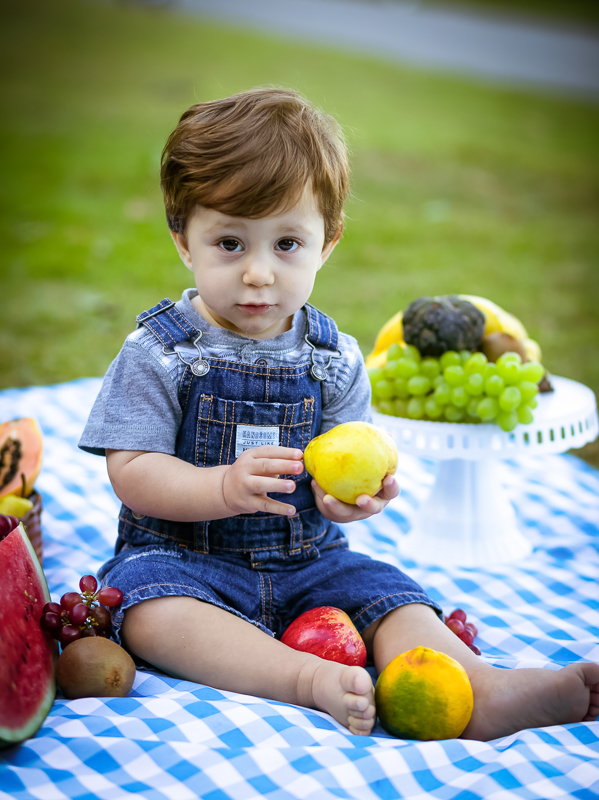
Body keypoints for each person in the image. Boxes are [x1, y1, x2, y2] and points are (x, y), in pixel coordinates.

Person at [80, 87, 599, 739]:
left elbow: (346, 459)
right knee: (150, 614)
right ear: (185, 240)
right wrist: (219, 487)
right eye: (231, 244)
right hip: (183, 557)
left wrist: (346, 499)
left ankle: (479, 687)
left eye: (287, 244)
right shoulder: (161, 351)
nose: (259, 274)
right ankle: (303, 679)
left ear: (328, 241)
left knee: (390, 594)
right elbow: (130, 468)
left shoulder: (333, 357)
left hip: (308, 560)